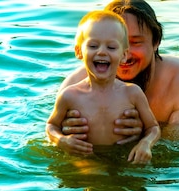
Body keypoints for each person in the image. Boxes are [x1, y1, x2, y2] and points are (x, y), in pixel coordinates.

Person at [47, 0, 179, 157]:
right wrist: (64, 137)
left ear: (156, 42)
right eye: (116, 43)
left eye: (136, 42)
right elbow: (53, 141)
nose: (127, 52)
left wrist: (142, 137)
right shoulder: (74, 86)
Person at [46, 10, 161, 164]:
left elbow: (153, 128)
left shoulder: (132, 93)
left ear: (124, 55)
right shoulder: (70, 96)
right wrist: (61, 141)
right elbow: (51, 126)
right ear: (79, 51)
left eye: (112, 47)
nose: (101, 52)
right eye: (93, 46)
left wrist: (145, 144)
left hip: (125, 158)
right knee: (95, 178)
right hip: (86, 158)